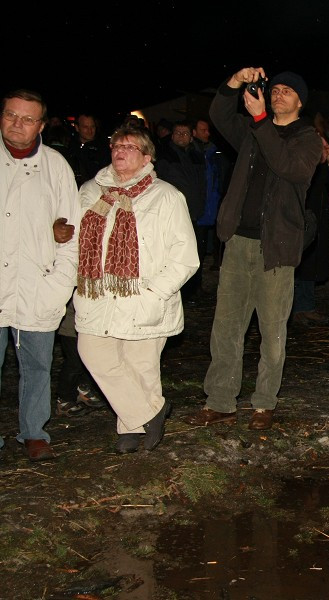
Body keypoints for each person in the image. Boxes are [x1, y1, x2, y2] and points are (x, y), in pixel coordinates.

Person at [183, 67, 322, 431]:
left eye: (288, 90)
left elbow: (287, 166)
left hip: (276, 248)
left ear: (300, 101)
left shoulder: (308, 140)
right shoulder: (250, 130)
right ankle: (221, 401)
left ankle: (264, 404)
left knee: (272, 331)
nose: (278, 93)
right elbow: (218, 115)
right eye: (274, 88)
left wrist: (261, 119)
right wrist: (233, 82)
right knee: (226, 327)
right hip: (238, 242)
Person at [74, 126, 199, 453]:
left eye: (130, 146)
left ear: (147, 157)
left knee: (140, 365)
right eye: (116, 145)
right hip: (98, 295)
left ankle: (130, 428)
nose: (120, 150)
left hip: (145, 297)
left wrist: (154, 293)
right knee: (93, 352)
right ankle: (151, 413)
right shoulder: (90, 191)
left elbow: (185, 257)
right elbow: (74, 243)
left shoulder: (167, 196)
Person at [0, 89, 80, 461]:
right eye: (11, 115)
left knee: (37, 365)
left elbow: (72, 231)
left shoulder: (55, 166)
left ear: (41, 125)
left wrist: (59, 283)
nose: (18, 124)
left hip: (38, 283)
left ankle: (34, 431)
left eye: (27, 119)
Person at [292, 113, 329, 326]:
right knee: (297, 262)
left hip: (317, 216)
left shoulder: (323, 156)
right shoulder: (304, 150)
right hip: (298, 214)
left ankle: (307, 306)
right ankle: (293, 310)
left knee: (311, 263)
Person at [154, 120, 206, 301]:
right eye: (177, 133)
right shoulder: (165, 155)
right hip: (173, 213)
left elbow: (201, 183)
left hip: (193, 211)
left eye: (185, 133)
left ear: (191, 136)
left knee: (194, 251)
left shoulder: (197, 155)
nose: (181, 136)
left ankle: (193, 289)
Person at [192, 118, 231, 272]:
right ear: (194, 132)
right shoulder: (194, 153)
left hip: (213, 202)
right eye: (203, 130)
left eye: (208, 130)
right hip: (199, 205)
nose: (207, 133)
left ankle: (215, 262)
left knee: (214, 236)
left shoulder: (214, 152)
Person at [66, 112, 110, 187]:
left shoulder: (104, 148)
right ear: (77, 128)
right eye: (85, 127)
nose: (90, 131)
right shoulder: (69, 147)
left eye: (92, 127)